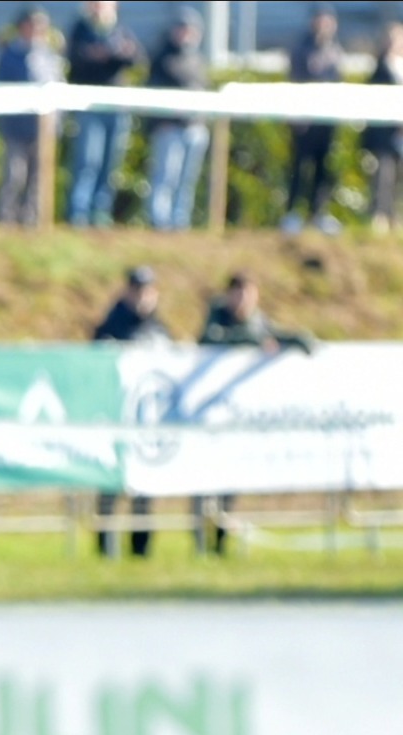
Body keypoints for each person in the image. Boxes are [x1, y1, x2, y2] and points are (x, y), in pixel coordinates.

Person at [196, 271, 314, 554]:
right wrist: (252, 340)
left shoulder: (257, 319)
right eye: (239, 293)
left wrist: (298, 339)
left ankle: (220, 546)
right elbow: (212, 339)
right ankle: (200, 545)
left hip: (236, 417)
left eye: (249, 294)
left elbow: (271, 333)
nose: (243, 300)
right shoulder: (217, 315)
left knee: (230, 481)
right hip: (204, 415)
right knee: (202, 482)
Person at [92, 266, 168, 557]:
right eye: (137, 289)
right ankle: (105, 550)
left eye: (148, 290)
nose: (142, 296)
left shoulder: (160, 328)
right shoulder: (111, 326)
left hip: (147, 422)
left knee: (145, 488)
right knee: (111, 487)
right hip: (115, 418)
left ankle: (141, 550)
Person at [65, 0, 143, 227]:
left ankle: (100, 212)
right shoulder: (80, 28)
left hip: (116, 107)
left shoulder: (121, 29)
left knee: (110, 162)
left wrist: (108, 55)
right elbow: (77, 61)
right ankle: (78, 212)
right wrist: (103, 56)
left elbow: (136, 57)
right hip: (89, 106)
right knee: (87, 161)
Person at [0, 5, 64, 226]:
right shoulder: (10, 55)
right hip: (16, 127)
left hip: (43, 129)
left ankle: (33, 221)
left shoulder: (50, 56)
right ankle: (6, 219)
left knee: (39, 178)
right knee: (15, 175)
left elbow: (59, 88)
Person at [281, 3, 345, 235]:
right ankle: (292, 214)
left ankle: (318, 214)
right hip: (304, 122)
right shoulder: (301, 49)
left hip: (325, 121)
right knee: (299, 168)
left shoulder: (335, 50)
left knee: (322, 170)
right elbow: (296, 82)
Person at [144, 6, 209, 231]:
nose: (185, 34)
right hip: (169, 127)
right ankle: (159, 220)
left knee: (187, 179)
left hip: (194, 127)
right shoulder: (162, 57)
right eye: (182, 28)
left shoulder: (197, 58)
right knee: (165, 176)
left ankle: (180, 221)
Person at [362, 22, 403, 235]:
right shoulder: (380, 66)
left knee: (396, 178)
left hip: (400, 134)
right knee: (382, 176)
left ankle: (394, 216)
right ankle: (379, 217)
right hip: (384, 134)